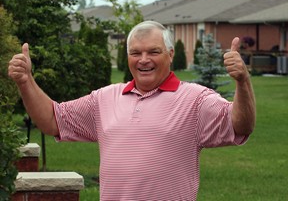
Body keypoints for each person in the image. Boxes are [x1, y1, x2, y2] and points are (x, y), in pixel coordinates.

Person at [8, 20, 256, 200]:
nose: (143, 59)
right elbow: (53, 120)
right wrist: (26, 81)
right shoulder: (104, 99)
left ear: (170, 55)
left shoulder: (195, 99)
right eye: (135, 53)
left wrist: (242, 82)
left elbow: (240, 125)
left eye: (153, 52)